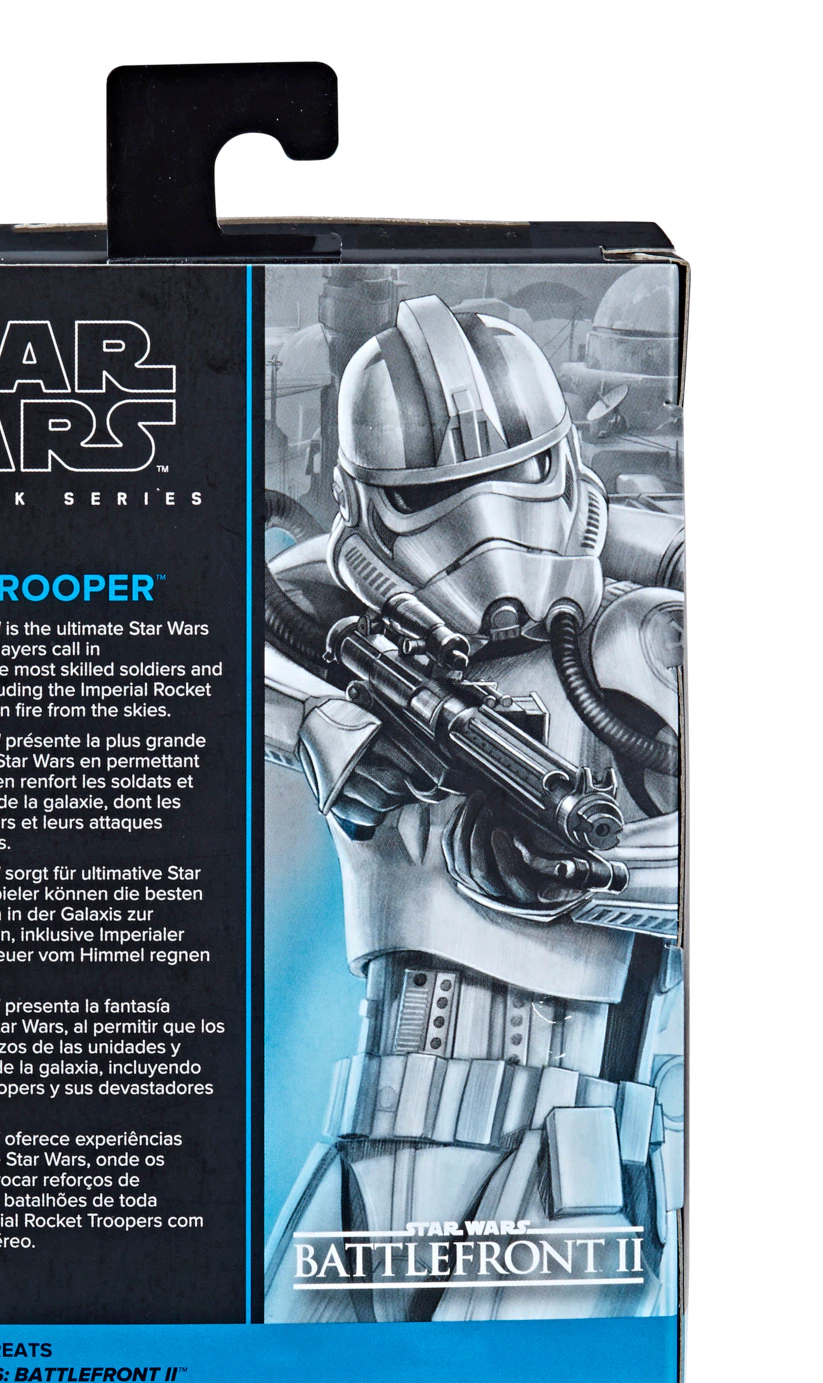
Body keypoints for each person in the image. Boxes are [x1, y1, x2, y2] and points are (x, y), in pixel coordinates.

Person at [262, 292, 685, 1323]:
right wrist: (314, 725)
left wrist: (598, 876)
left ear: (561, 461)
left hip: (565, 1144)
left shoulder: (639, 642)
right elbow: (132, 651)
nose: (483, 524)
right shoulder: (318, 615)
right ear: (367, 501)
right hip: (366, 1137)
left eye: (516, 476)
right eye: (432, 495)